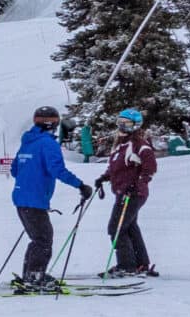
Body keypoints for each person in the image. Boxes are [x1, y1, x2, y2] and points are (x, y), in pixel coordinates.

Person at [10, 104, 91, 292]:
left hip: (21, 198)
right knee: (43, 240)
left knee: (37, 239)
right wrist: (80, 185)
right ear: (52, 124)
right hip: (35, 199)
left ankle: (30, 274)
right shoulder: (48, 143)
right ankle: (35, 277)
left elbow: (15, 170)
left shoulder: (27, 141)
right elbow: (57, 170)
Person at [93, 108, 158, 277]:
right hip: (123, 192)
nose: (122, 126)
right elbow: (116, 167)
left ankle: (126, 265)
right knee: (129, 227)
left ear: (135, 125)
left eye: (127, 123)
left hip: (133, 193)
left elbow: (150, 168)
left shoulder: (139, 144)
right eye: (120, 122)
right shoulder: (120, 145)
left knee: (116, 227)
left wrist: (138, 184)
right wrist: (104, 177)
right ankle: (140, 264)